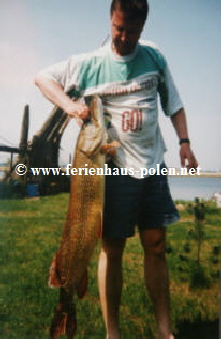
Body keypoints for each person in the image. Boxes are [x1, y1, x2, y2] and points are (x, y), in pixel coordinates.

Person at [35, 1, 198, 338]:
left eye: (133, 31)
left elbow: (175, 104)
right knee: (113, 247)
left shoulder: (154, 57)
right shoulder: (89, 63)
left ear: (143, 26)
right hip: (112, 170)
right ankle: (113, 334)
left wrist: (184, 141)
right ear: (111, 19)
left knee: (155, 244)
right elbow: (42, 77)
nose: (124, 37)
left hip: (152, 163)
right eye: (119, 29)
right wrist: (69, 106)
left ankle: (165, 331)